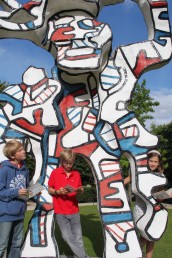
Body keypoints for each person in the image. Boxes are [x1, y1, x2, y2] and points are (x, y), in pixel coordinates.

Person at [48, 148, 90, 258]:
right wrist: (58, 191)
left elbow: (78, 191)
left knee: (78, 237)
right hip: (60, 211)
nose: (68, 165)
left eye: (71, 163)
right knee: (67, 237)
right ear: (62, 161)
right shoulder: (55, 173)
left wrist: (80, 191)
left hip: (74, 210)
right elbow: (49, 189)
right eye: (66, 163)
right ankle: (84, 256)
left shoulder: (76, 174)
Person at [124, 150, 165, 258]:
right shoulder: (139, 173)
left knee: (152, 236)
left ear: (159, 163)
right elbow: (124, 181)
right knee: (145, 235)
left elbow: (159, 197)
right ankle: (133, 253)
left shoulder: (160, 175)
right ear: (146, 161)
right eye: (151, 161)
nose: (153, 163)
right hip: (141, 210)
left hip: (154, 209)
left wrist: (164, 196)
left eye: (155, 161)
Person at [0, 139, 30, 258]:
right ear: (13, 155)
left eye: (23, 149)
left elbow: (25, 188)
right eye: (20, 150)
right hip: (6, 213)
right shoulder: (3, 169)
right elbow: (1, 192)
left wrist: (32, 193)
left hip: (20, 212)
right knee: (2, 245)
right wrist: (16, 192)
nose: (24, 151)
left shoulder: (25, 169)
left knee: (16, 244)